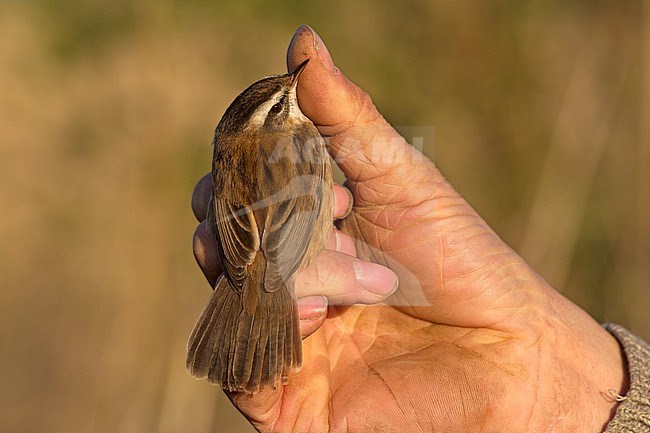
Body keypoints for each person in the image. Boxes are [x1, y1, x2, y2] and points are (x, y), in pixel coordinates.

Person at [190, 25, 649, 433]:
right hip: (279, 266)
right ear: (272, 123)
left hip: (243, 258)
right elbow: (289, 230)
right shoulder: (302, 140)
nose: (297, 91)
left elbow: (246, 234)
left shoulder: (232, 153)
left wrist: (249, 275)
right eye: (281, 104)